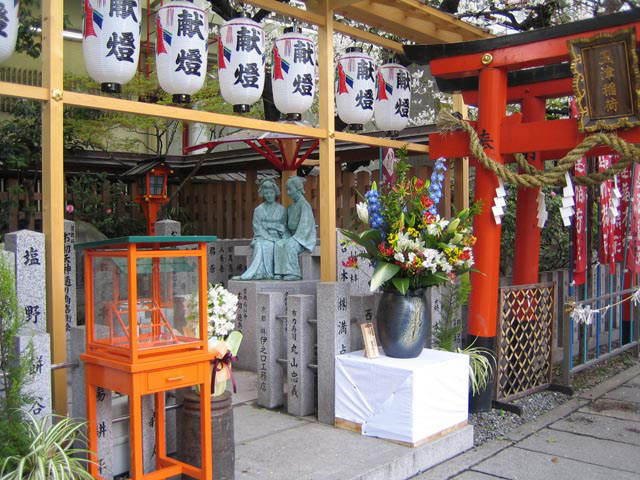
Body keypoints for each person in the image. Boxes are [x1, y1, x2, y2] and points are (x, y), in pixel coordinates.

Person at [234, 179, 286, 280]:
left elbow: (284, 226)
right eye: (266, 193)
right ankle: (258, 272)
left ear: (275, 193)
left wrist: (277, 230)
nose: (269, 195)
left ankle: (269, 273)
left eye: (271, 193)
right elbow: (257, 227)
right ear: (263, 195)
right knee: (260, 245)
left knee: (272, 245)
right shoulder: (258, 210)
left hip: (277, 237)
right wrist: (268, 237)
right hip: (262, 237)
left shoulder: (281, 209)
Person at [273, 176, 317, 280]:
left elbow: (305, 226)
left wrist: (294, 238)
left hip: (303, 238)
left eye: (290, 189)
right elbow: (285, 225)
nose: (288, 192)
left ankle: (293, 273)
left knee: (290, 245)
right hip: (293, 236)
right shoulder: (291, 207)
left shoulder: (305, 205)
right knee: (279, 244)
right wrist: (285, 233)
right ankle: (279, 272)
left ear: (297, 189)